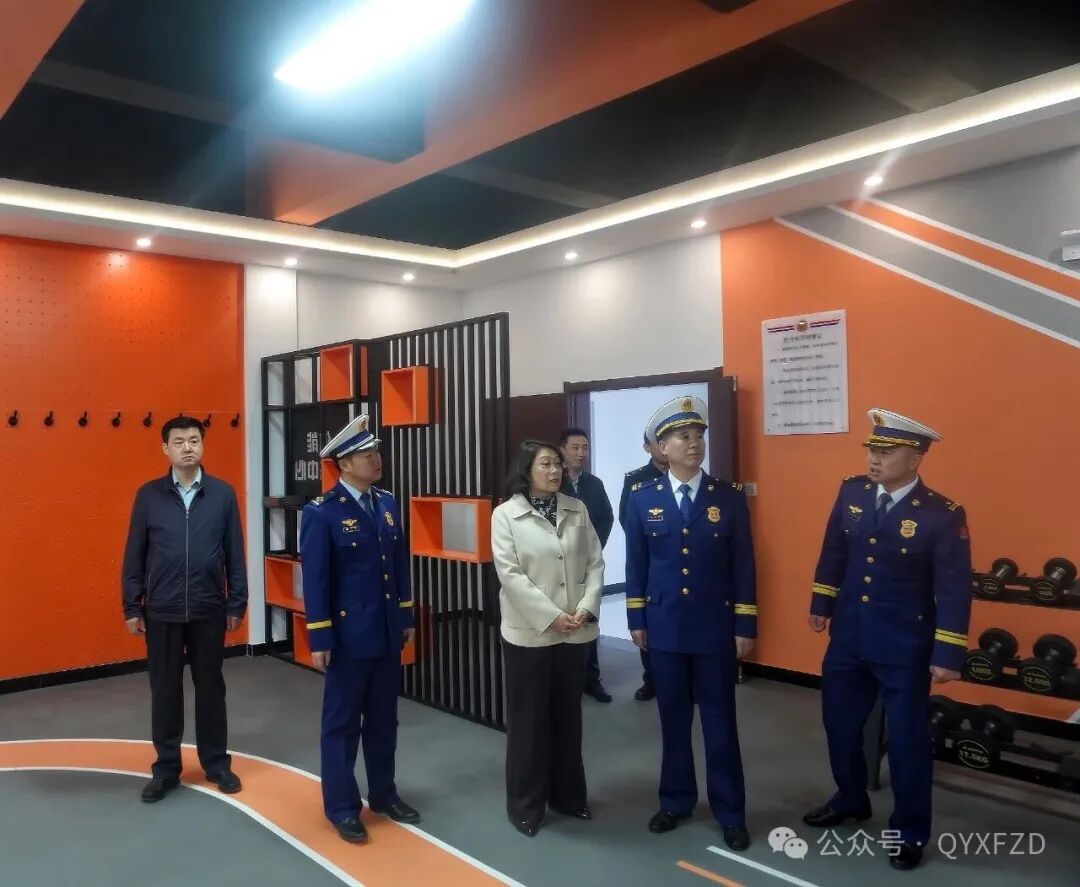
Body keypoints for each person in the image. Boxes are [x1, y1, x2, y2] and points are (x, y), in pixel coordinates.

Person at [803, 408, 971, 871]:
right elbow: (833, 550)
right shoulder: (853, 492)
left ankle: (909, 831)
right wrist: (821, 603)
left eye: (886, 452)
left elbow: (953, 588)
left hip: (904, 645)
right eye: (872, 450)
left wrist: (948, 652)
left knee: (907, 742)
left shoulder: (941, 514)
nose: (874, 460)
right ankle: (850, 798)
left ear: (915, 459)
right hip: (850, 636)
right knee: (839, 725)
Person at [624, 396, 756, 851]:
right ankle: (676, 801)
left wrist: (745, 624)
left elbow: (744, 565)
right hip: (664, 627)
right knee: (673, 721)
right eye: (683, 436)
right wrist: (636, 617)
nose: (694, 443)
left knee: (721, 723)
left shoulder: (728, 497)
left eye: (699, 435)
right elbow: (637, 564)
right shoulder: (643, 498)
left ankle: (730, 811)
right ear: (663, 447)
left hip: (714, 628)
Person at [299, 415, 418, 844]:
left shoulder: (386, 503)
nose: (376, 458)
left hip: (385, 633)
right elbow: (316, 581)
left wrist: (405, 617)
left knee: (384, 721)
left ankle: (384, 794)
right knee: (342, 725)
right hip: (348, 638)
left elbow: (398, 567)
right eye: (366, 454)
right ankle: (342, 807)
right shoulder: (322, 512)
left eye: (375, 451)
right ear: (344, 463)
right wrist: (320, 636)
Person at [121, 415, 247, 803]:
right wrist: (132, 605)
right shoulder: (149, 496)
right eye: (179, 442)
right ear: (166, 449)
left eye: (194, 440)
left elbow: (235, 553)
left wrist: (237, 601)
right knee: (165, 691)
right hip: (162, 609)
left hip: (209, 608)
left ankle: (217, 764)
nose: (187, 447)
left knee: (211, 689)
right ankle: (166, 769)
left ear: (202, 445)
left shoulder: (222, 494)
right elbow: (134, 553)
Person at [491, 440, 605, 837]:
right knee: (529, 723)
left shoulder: (577, 508)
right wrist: (551, 616)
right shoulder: (505, 515)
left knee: (567, 719)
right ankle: (525, 806)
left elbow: (595, 561)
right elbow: (510, 574)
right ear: (526, 470)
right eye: (545, 464)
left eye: (557, 463)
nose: (555, 471)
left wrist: (586, 606)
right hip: (530, 634)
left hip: (574, 630)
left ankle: (569, 797)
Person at [559, 427, 615, 702]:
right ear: (562, 450)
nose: (581, 453)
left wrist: (594, 548)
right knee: (562, 620)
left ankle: (591, 680)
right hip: (558, 564)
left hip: (587, 564)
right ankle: (564, 681)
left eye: (585, 448)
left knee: (588, 619)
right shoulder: (553, 481)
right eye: (575, 447)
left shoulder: (594, 483)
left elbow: (607, 517)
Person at [618, 432, 669, 701]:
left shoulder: (685, 474)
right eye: (657, 443)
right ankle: (651, 679)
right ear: (648, 447)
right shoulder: (636, 479)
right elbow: (625, 517)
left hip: (678, 558)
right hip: (649, 558)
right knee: (647, 619)